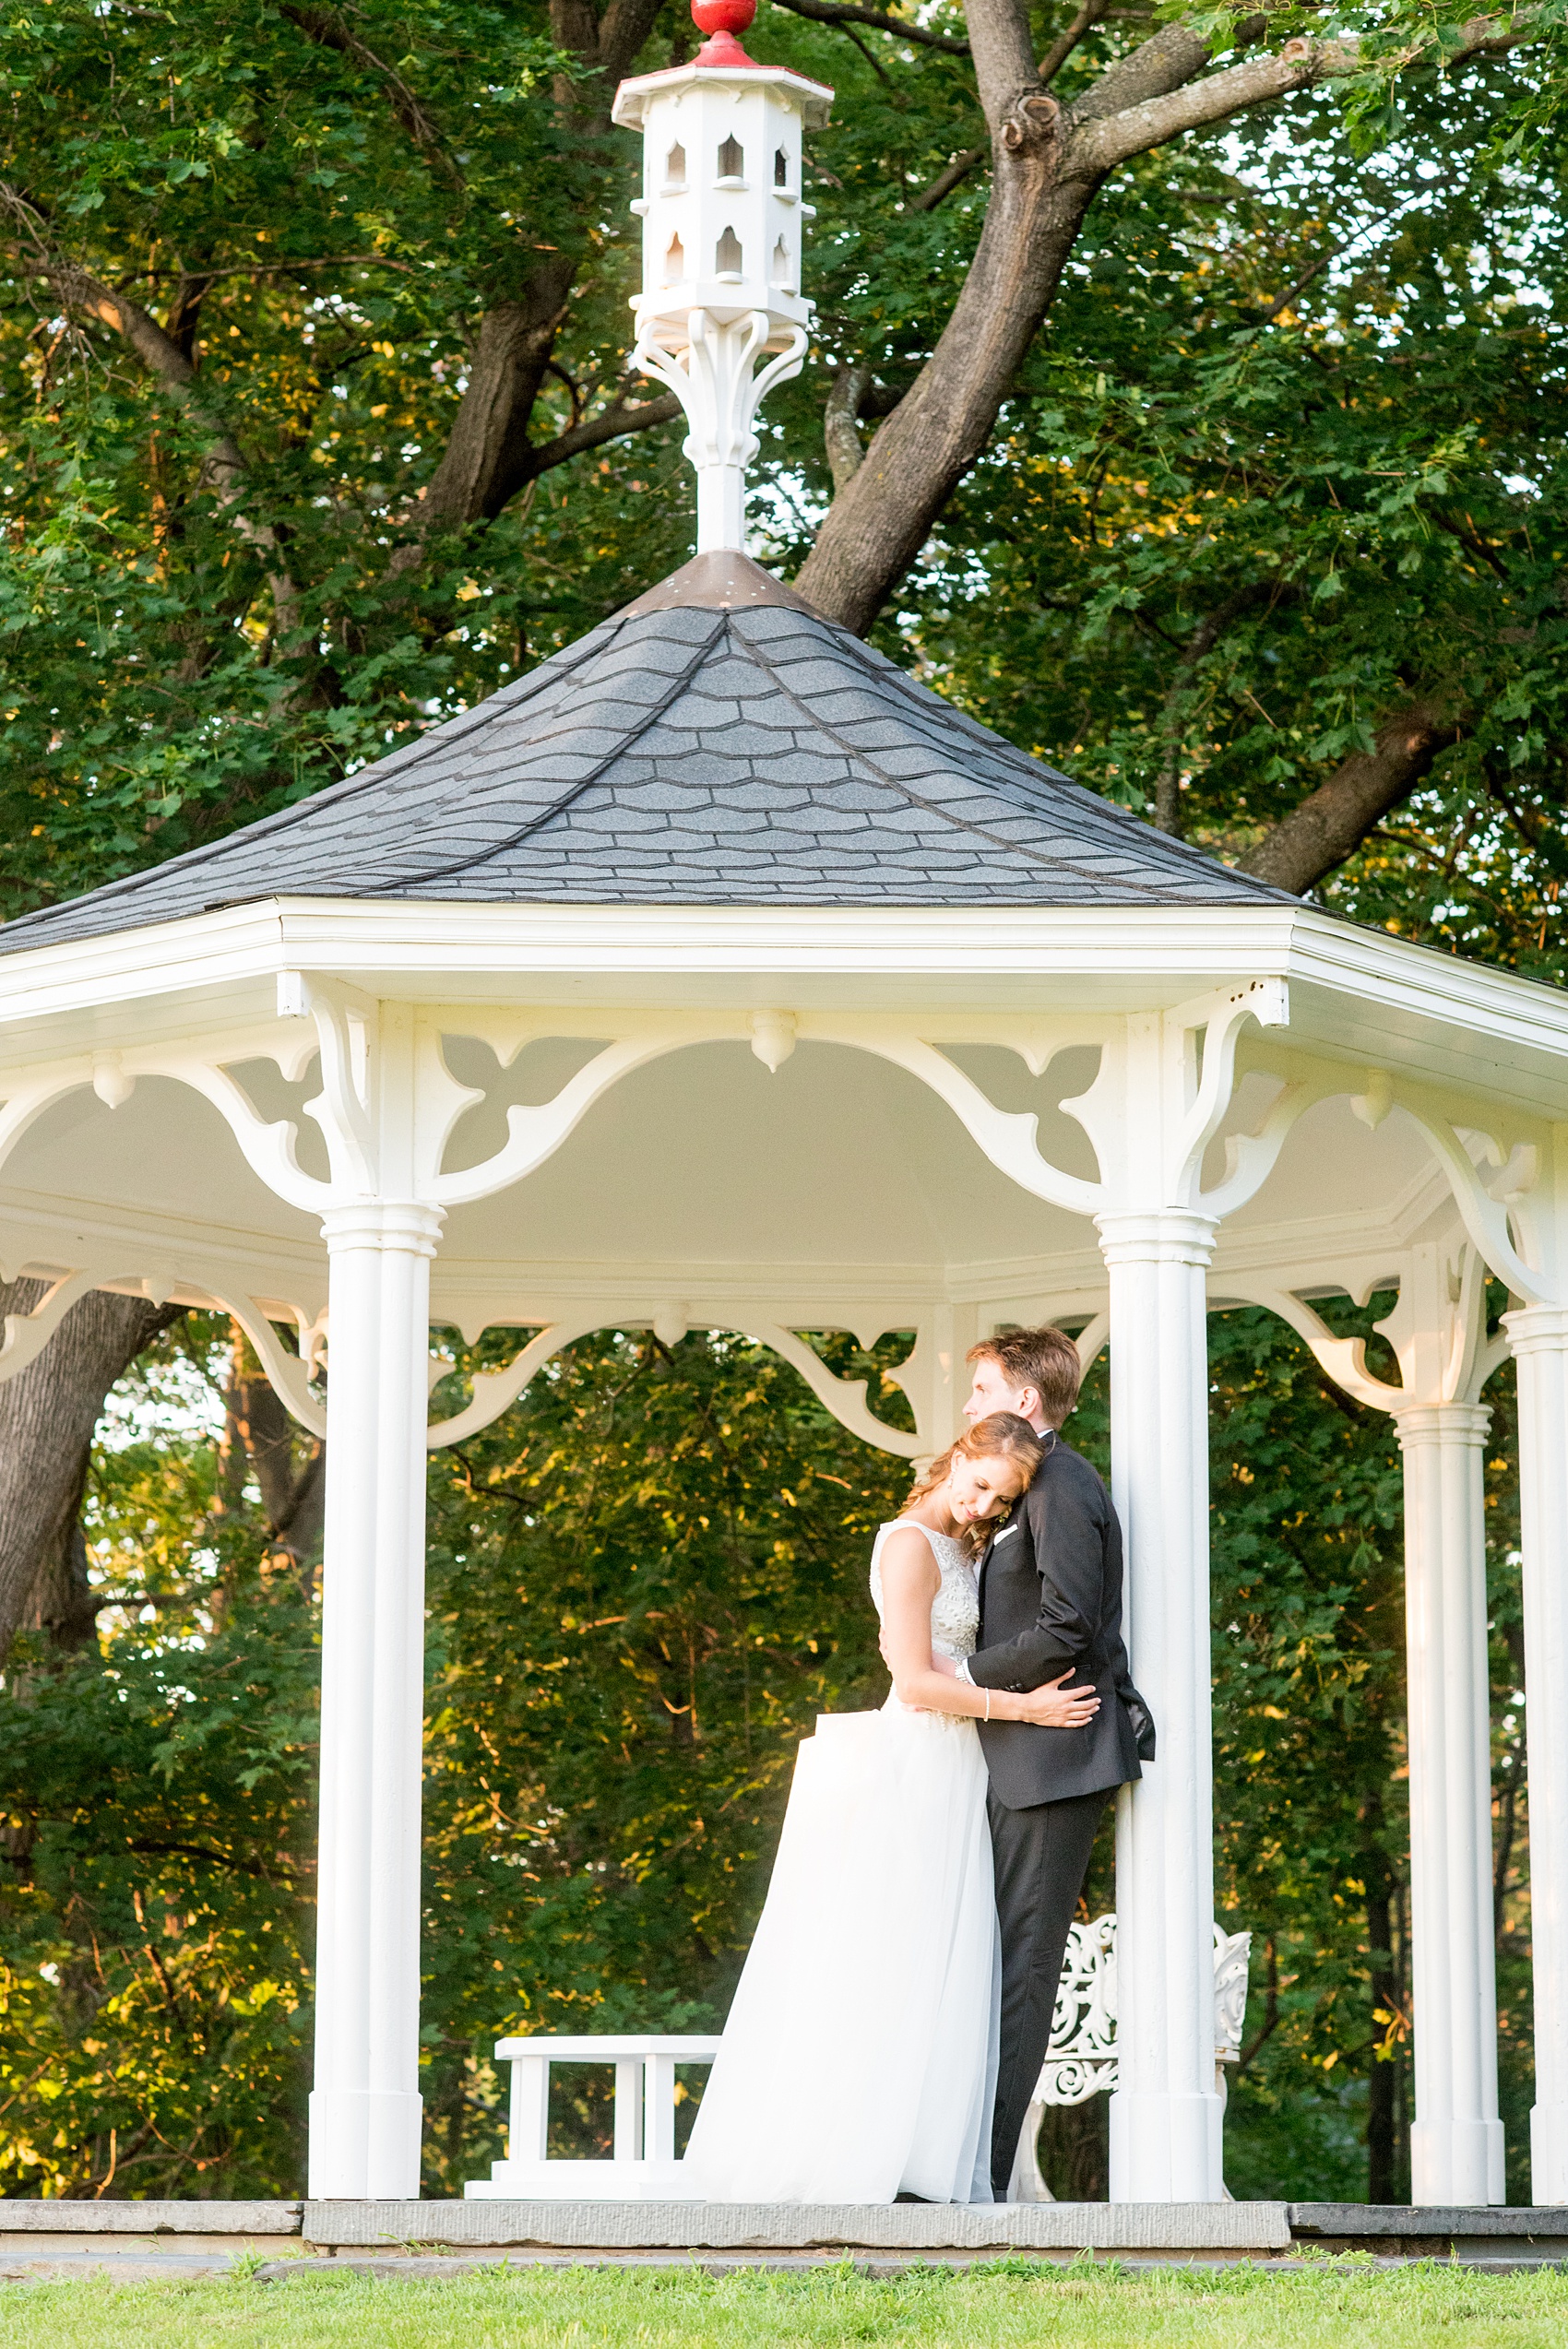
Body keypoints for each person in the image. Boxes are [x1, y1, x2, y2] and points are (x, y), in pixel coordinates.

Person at [682, 1414, 1101, 2204]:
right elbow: (912, 1680)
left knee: (942, 1967)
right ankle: (849, 2152)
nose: (983, 1507)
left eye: (1002, 1500)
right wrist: (1028, 1710)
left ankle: (919, 2154)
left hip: (959, 1768)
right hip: (916, 1761)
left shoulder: (968, 1543)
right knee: (889, 1956)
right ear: (958, 1456)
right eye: (979, 1485)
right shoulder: (909, 1542)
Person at [956, 1325, 1156, 2201]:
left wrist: (964, 1675)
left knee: (1023, 1972)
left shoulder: (1064, 1484)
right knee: (992, 1963)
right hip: (1017, 1755)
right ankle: (962, 2162)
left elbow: (1070, 1622)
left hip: (1054, 1754)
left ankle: (986, 2180)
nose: (969, 1407)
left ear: (1024, 1401)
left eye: (981, 1390)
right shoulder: (1026, 1486)